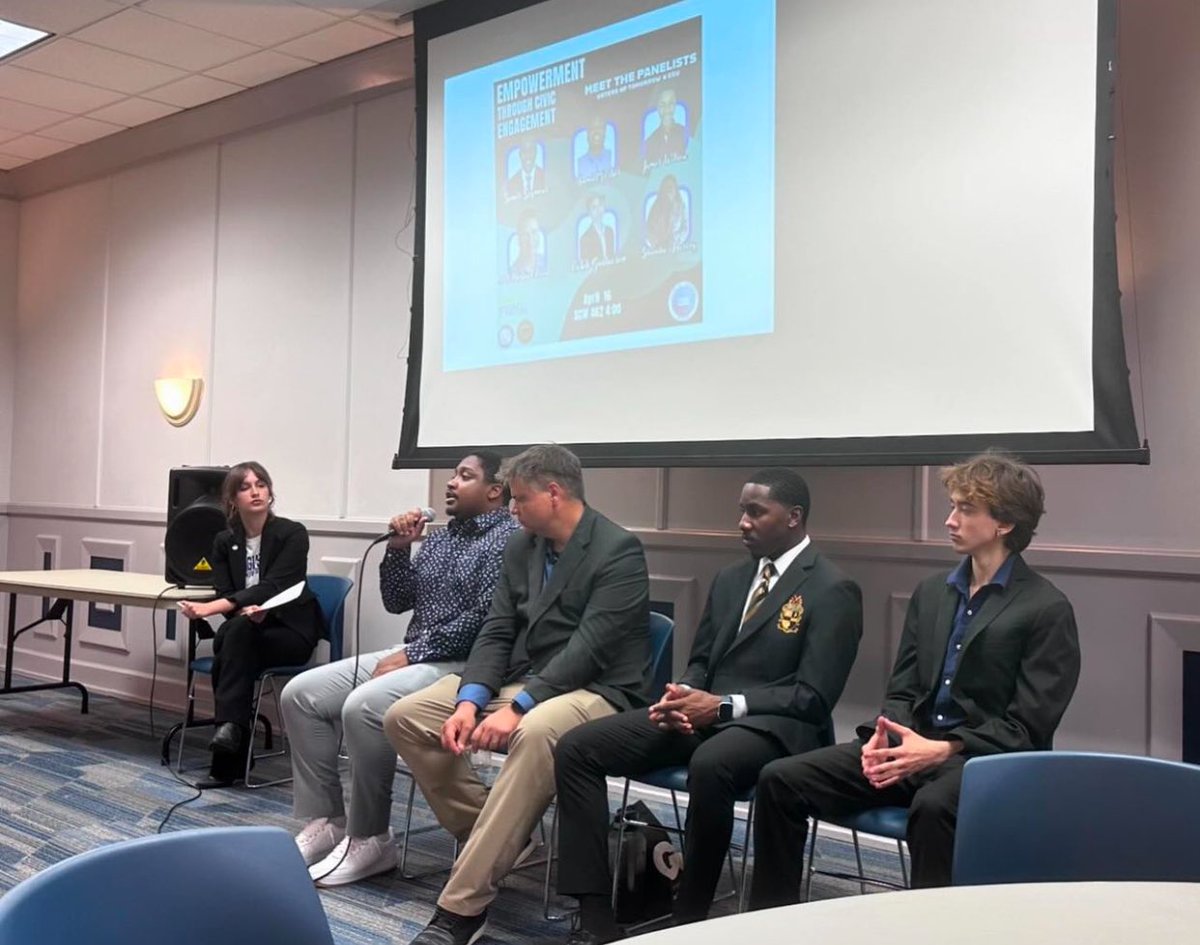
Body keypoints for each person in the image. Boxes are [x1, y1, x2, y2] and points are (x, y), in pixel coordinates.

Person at [748, 452, 1082, 907]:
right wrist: (881, 735)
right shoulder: (932, 593)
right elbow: (903, 688)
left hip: (986, 762)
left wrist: (944, 748)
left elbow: (1029, 727)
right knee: (780, 780)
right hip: (913, 748)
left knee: (934, 807)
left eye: (966, 509)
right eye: (953, 506)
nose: (950, 520)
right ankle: (773, 923)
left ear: (1004, 523)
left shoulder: (1046, 608)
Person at [554, 469, 864, 941]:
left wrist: (722, 705)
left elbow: (813, 697)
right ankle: (597, 911)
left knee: (711, 763)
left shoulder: (831, 588)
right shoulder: (731, 578)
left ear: (794, 517)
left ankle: (690, 917)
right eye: (741, 510)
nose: (742, 521)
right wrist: (681, 696)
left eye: (756, 511)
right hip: (705, 715)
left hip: (778, 729)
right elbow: (701, 661)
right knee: (577, 747)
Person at [383, 444, 651, 945]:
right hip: (526, 680)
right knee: (406, 716)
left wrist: (518, 707)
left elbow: (590, 649)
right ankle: (507, 834)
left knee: (535, 732)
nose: (511, 510)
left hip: (598, 688)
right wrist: (470, 701)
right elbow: (498, 630)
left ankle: (462, 909)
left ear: (554, 493)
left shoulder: (617, 549)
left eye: (520, 498)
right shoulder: (522, 545)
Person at [280, 452, 519, 886]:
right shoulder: (443, 537)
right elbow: (398, 600)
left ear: (495, 491)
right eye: (452, 473)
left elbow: (484, 620)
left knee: (363, 706)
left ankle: (370, 837)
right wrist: (398, 549)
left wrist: (411, 655)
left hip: (464, 663)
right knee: (301, 694)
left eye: (464, 476)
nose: (450, 483)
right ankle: (329, 819)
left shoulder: (509, 538)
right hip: (416, 650)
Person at [179, 462, 322, 789]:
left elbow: (275, 585)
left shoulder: (292, 534)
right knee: (237, 634)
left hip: (290, 631)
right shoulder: (223, 542)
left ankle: (227, 752)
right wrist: (239, 611)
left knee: (229, 642)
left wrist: (212, 609)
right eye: (245, 487)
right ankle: (231, 734)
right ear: (232, 499)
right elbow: (228, 591)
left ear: (270, 493)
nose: (255, 491)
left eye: (261, 484)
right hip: (246, 633)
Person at [644, 88, 688, 166]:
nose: (667, 109)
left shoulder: (685, 133)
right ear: (657, 108)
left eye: (670, 103)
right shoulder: (650, 142)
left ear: (675, 105)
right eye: (662, 105)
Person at [644, 175, 687, 252]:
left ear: (675, 190)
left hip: (675, 251)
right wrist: (657, 245)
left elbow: (684, 228)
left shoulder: (680, 207)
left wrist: (675, 241)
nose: (668, 190)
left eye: (671, 187)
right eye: (666, 187)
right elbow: (649, 230)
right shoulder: (655, 208)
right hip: (658, 252)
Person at [579, 194, 616, 266]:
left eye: (600, 205)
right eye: (594, 207)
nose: (598, 210)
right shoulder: (585, 238)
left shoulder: (609, 231)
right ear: (589, 213)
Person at [510, 209, 547, 278]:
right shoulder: (511, 275)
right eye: (525, 234)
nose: (531, 239)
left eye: (534, 232)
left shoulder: (547, 263)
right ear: (518, 239)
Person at [576, 116, 614, 181]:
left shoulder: (612, 157)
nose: (596, 132)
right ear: (587, 134)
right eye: (592, 128)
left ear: (605, 133)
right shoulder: (579, 163)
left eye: (599, 128)